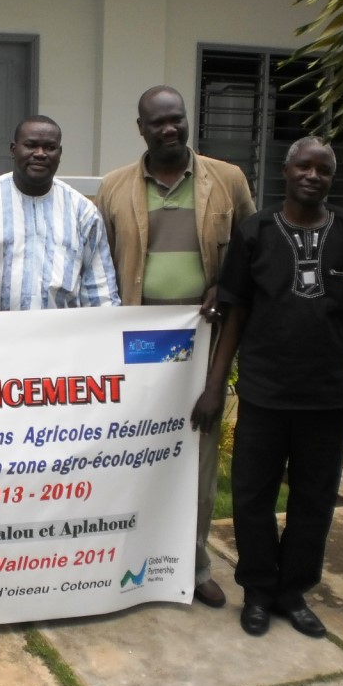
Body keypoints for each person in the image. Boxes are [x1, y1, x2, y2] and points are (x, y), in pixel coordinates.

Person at [191, 136, 343, 638]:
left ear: (331, 178)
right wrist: (215, 386)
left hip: (326, 396)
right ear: (286, 170)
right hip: (264, 394)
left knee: (314, 499)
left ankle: (292, 592)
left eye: (323, 169)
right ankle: (258, 590)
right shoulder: (256, 231)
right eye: (304, 166)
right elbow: (235, 314)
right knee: (252, 496)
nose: (313, 176)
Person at [96, 85, 256, 609]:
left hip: (204, 346)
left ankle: (194, 564)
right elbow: (101, 266)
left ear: (187, 121)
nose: (169, 129)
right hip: (136, 350)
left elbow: (251, 255)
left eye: (177, 119)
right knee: (135, 458)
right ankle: (128, 565)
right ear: (140, 129)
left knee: (198, 463)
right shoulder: (114, 187)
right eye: (158, 122)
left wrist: (224, 286)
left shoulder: (227, 180)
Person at [0, 115, 119, 310]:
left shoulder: (83, 212)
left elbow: (100, 291)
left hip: (64, 328)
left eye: (50, 147)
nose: (40, 154)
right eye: (31, 145)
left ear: (60, 153)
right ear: (13, 150)